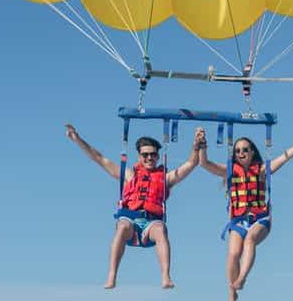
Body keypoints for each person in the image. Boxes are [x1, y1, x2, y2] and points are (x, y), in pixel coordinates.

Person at [65, 124, 205, 289]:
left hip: (151, 224)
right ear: (139, 156)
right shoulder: (129, 175)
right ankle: (111, 276)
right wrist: (77, 139)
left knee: (160, 229)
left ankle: (166, 276)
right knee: (122, 226)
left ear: (158, 156)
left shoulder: (166, 178)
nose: (149, 158)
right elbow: (99, 158)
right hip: (130, 221)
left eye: (153, 154)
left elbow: (190, 164)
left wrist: (197, 146)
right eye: (145, 155)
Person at [198, 124, 293, 301]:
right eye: (237, 151)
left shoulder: (262, 170)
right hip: (238, 220)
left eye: (245, 149)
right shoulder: (229, 171)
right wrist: (201, 145)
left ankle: (242, 278)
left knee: (250, 239)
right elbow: (204, 164)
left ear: (252, 152)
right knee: (232, 254)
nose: (241, 153)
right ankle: (231, 294)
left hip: (260, 219)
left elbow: (286, 156)